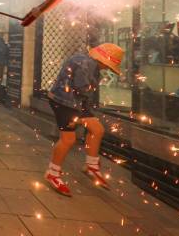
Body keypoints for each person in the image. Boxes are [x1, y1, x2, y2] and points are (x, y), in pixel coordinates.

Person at [44, 43, 124, 196]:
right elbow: (82, 88)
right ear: (103, 61)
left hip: (76, 102)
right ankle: (52, 173)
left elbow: (83, 92)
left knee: (97, 130)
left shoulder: (88, 62)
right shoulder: (86, 64)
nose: (107, 69)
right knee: (68, 139)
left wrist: (85, 114)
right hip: (64, 103)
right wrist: (79, 119)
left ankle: (91, 166)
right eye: (108, 66)